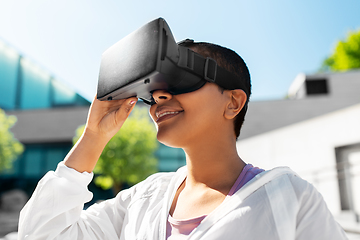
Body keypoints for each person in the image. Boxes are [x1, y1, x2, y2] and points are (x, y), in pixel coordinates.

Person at [18, 41, 348, 240]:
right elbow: (43, 235)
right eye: (152, 92)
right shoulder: (143, 199)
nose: (159, 95)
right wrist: (94, 136)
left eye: (178, 80)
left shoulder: (289, 197)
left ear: (232, 102)